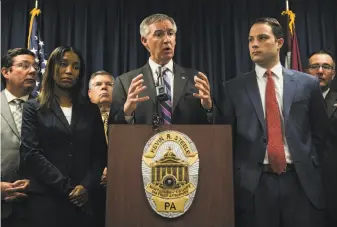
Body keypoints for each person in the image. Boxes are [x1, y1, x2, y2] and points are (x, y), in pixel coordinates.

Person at [217, 18, 329, 227]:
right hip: (254, 187)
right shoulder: (233, 88)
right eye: (250, 39)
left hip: (300, 183)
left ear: (279, 42)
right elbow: (227, 141)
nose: (254, 44)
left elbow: (320, 133)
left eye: (262, 38)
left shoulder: (307, 84)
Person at [19, 46, 107, 227]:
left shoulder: (91, 109)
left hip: (84, 202)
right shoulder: (33, 108)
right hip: (45, 201)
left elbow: (100, 153)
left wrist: (86, 186)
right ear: (51, 67)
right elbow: (31, 153)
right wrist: (67, 188)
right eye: (63, 64)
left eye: (75, 66)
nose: (69, 71)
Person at [109, 13, 214, 125]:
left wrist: (208, 108)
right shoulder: (126, 82)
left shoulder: (196, 79)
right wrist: (127, 112)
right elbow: (114, 128)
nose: (167, 40)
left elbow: (214, 125)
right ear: (144, 41)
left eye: (170, 33)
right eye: (159, 34)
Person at [1, 48, 37, 226]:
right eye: (24, 66)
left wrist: (36, 183)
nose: (32, 71)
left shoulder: (46, 109)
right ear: (6, 72)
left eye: (34, 67)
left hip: (38, 206)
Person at [306, 50, 337, 227]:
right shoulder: (293, 102)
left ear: (334, 73)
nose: (320, 71)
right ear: (305, 71)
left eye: (326, 67)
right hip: (301, 185)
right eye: (314, 66)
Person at [88, 70, 114, 227]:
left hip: (121, 186)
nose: (104, 87)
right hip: (88, 189)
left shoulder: (128, 118)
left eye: (109, 84)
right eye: (98, 84)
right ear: (90, 93)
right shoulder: (79, 119)